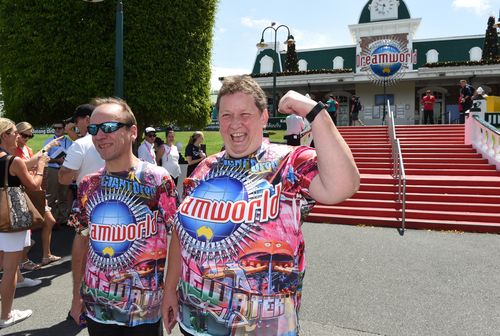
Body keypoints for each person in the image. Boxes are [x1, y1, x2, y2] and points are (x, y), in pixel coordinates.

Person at [162, 75, 360, 335]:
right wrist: (169, 289)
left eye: (245, 114)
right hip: (197, 320)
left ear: (264, 117)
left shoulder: (289, 162)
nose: (235, 124)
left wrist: (315, 112)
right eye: (226, 115)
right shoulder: (203, 169)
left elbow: (344, 185)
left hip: (264, 326)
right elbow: (180, 231)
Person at [67, 97, 177, 335]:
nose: (99, 135)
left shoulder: (158, 180)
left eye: (109, 127)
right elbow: (81, 240)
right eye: (94, 129)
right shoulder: (88, 184)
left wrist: (170, 291)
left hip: (145, 311)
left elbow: (178, 238)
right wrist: (77, 295)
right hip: (98, 308)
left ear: (132, 131)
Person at [0, 118, 50, 329]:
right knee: (10, 270)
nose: (18, 136)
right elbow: (34, 186)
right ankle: (6, 315)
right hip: (10, 219)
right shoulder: (13, 161)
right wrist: (40, 167)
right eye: (13, 132)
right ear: (4, 135)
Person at [58, 103, 105, 326]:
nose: (75, 126)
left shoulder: (81, 145)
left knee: (82, 253)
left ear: (85, 120)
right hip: (115, 205)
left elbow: (64, 178)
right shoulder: (114, 141)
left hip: (88, 205)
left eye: (76, 122)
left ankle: (79, 302)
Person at [15, 122, 62, 268]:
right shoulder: (13, 150)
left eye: (31, 135)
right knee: (25, 227)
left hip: (34, 189)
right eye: (25, 135)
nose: (28, 138)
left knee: (49, 221)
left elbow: (32, 166)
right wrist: (46, 149)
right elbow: (25, 166)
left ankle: (46, 255)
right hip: (23, 190)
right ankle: (22, 261)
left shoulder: (28, 149)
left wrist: (40, 167)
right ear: (16, 133)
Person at [44, 122, 73, 228]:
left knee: (63, 194)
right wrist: (57, 160)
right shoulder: (48, 142)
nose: (57, 130)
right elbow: (43, 156)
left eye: (59, 128)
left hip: (65, 169)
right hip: (52, 169)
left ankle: (63, 218)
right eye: (55, 128)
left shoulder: (69, 142)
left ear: (64, 129)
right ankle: (52, 220)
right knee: (51, 195)